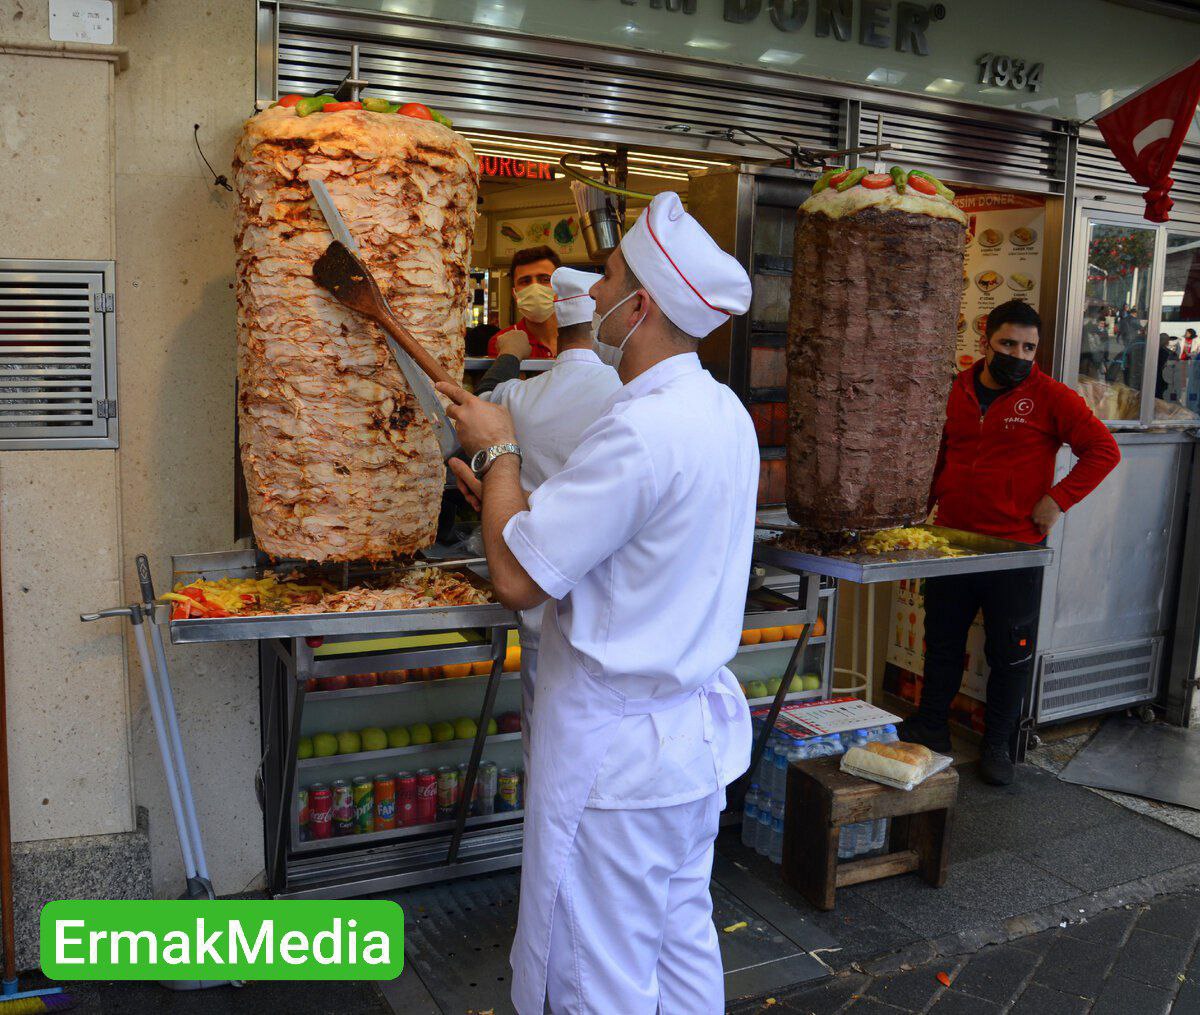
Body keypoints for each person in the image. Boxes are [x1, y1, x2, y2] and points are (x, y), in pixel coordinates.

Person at [437, 192, 757, 1014]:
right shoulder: (722, 412)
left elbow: (515, 578)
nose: (594, 293)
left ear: (639, 306)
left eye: (608, 277)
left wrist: (500, 448)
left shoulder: (642, 430)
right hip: (686, 748)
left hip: (618, 765)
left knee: (597, 977)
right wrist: (503, 488)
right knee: (681, 942)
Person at [900, 300, 1121, 786]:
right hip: (951, 542)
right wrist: (922, 504)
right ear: (986, 341)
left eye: (1028, 347)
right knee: (942, 643)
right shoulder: (954, 389)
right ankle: (932, 726)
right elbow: (940, 453)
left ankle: (997, 745)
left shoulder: (1051, 397)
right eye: (1008, 344)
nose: (1018, 355)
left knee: (1010, 651)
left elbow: (1104, 450)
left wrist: (1058, 500)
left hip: (1016, 549)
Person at [473, 266, 622, 773]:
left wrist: (509, 357)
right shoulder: (630, 399)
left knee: (547, 759)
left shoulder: (519, 396)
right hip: (611, 616)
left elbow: (470, 415)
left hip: (540, 608)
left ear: (556, 326)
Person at [487, 246, 562, 359]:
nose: (535, 288)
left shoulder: (579, 338)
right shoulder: (502, 342)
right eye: (525, 281)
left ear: (560, 287)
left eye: (545, 279)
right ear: (514, 294)